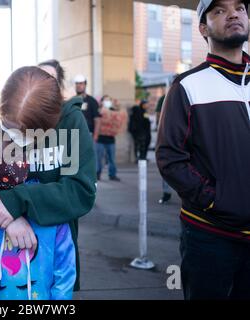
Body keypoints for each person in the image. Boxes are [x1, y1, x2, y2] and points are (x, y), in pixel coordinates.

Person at [0, 66, 97, 293]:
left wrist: (19, 200)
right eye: (8, 127)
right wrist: (9, 216)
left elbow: (80, 191)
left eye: (25, 132)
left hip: (53, 262)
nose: (15, 137)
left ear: (50, 123)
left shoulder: (70, 124)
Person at [157, 0, 250, 300]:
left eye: (240, 7)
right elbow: (170, 157)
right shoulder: (187, 86)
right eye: (219, 10)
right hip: (210, 236)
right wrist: (215, 200)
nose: (233, 14)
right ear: (203, 28)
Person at [72, 75, 102, 181]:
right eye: (77, 84)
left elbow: (97, 119)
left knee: (91, 156)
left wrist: (96, 135)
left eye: (81, 84)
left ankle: (94, 175)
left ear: (85, 85)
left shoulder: (92, 101)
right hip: (75, 135)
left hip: (89, 134)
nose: (79, 86)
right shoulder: (73, 100)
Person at [96, 95, 123, 182]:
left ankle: (112, 174)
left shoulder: (114, 111)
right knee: (98, 158)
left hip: (111, 139)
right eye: (105, 100)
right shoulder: (98, 111)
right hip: (100, 139)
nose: (107, 102)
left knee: (112, 159)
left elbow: (119, 122)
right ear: (102, 101)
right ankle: (97, 174)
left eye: (109, 100)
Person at [155, 94, 172, 204]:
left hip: (170, 134)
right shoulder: (164, 97)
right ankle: (166, 193)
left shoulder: (166, 96)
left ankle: (167, 193)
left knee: (167, 163)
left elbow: (158, 115)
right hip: (171, 134)